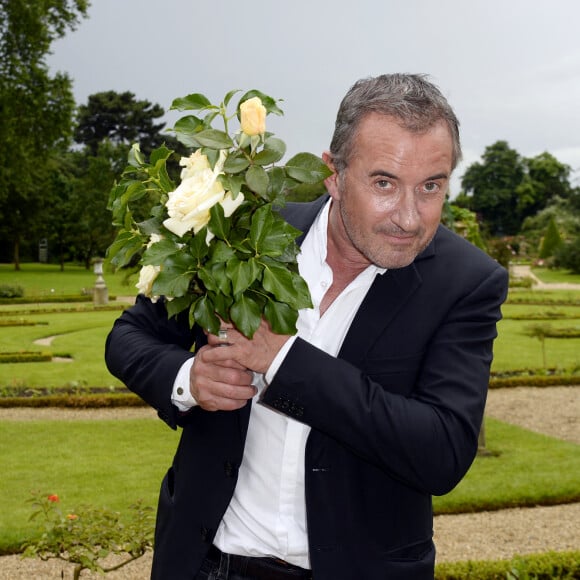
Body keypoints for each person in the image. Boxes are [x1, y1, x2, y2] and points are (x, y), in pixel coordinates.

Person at [105, 73, 508, 580]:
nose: (410, 217)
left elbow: (442, 452)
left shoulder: (468, 282)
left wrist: (283, 360)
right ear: (333, 175)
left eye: (432, 186)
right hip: (206, 563)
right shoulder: (241, 231)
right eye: (384, 183)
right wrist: (188, 379)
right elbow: (127, 337)